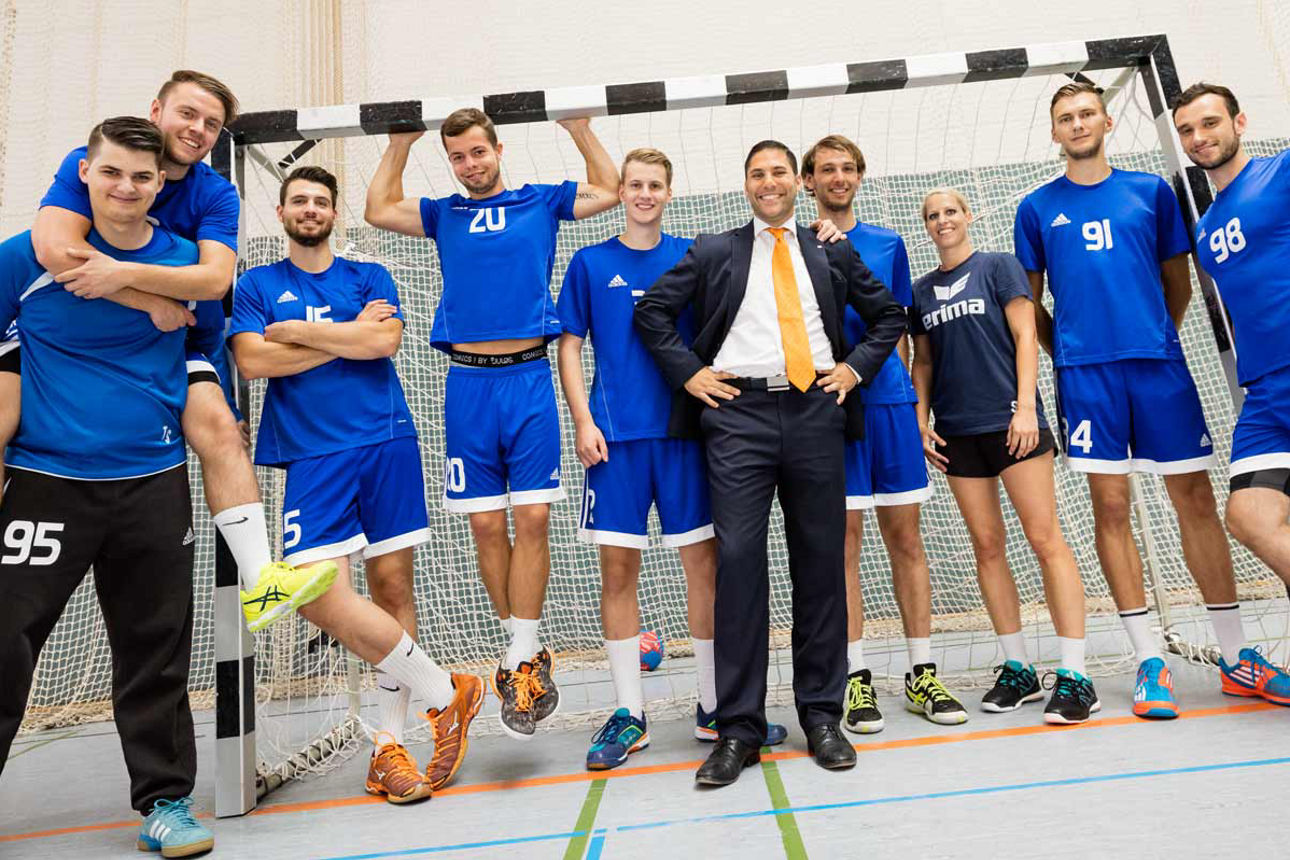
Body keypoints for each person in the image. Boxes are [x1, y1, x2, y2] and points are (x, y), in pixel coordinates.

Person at [2, 70, 328, 627]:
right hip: (87, 339)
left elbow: (213, 283)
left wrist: (132, 283)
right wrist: (146, 300)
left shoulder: (214, 193)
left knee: (223, 430)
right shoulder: (95, 159)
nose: (198, 129)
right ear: (157, 111)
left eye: (212, 124)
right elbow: (57, 249)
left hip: (178, 340)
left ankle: (262, 581)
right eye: (187, 114)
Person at [635, 139, 906, 786]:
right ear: (747, 185)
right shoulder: (714, 249)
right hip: (738, 419)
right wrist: (692, 376)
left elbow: (889, 315)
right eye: (757, 173)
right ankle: (739, 730)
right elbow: (652, 315)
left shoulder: (829, 246)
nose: (768, 182)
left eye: (779, 171)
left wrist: (854, 370)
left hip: (816, 411)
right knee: (737, 566)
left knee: (820, 564)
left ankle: (821, 716)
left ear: (798, 182)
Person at [230, 165, 484, 803]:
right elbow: (253, 359)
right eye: (299, 201)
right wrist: (347, 338)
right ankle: (448, 693)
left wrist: (299, 334)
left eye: (321, 201)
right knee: (318, 596)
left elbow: (385, 344)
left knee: (393, 588)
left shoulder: (368, 275)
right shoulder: (256, 284)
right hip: (312, 455)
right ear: (283, 212)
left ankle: (390, 749)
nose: (310, 209)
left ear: (334, 213)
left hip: (386, 441)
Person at [365, 110, 620, 740]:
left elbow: (610, 189)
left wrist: (579, 128)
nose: (470, 164)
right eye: (458, 157)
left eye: (478, 152)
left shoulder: (542, 202)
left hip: (530, 379)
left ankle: (518, 658)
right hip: (468, 383)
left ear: (497, 149)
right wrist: (400, 144)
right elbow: (376, 208)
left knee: (533, 517)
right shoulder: (441, 214)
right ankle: (525, 654)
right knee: (485, 524)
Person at [0, 117, 214, 858]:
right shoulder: (18, 260)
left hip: (153, 484)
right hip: (43, 486)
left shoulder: (185, 261)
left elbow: (201, 344)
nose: (126, 187)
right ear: (83, 173)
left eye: (142, 177)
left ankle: (167, 804)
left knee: (155, 651)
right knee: (3, 642)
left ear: (162, 186)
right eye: (112, 172)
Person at [1014, 81, 1249, 718]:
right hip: (1087, 378)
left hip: (1158, 368)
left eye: (1087, 112)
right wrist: (1072, 348)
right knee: (1111, 507)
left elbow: (1179, 281)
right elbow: (1028, 305)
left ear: (1107, 121)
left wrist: (1151, 333)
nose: (1078, 123)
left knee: (1195, 497)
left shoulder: (1151, 192)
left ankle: (1236, 655)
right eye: (1066, 117)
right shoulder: (1036, 208)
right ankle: (1149, 660)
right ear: (1055, 132)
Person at [557, 147, 788, 770]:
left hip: (688, 436)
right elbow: (571, 347)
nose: (644, 194)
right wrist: (581, 421)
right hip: (616, 441)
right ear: (623, 191)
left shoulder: (696, 255)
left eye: (655, 185)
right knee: (617, 573)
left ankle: (714, 705)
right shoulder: (589, 262)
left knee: (704, 569)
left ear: (669, 191)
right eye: (634, 184)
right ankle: (629, 714)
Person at [914, 188, 1096, 724]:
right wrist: (919, 423)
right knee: (988, 547)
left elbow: (1023, 336)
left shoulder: (998, 266)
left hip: (1012, 424)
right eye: (932, 216)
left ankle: (1075, 674)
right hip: (957, 432)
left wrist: (1024, 409)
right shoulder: (923, 291)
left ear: (968, 215)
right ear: (925, 226)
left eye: (951, 211)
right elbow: (922, 362)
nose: (943, 220)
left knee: (1045, 539)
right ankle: (1018, 669)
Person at [800, 134, 963, 732]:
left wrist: (911, 410)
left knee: (906, 539)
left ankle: (922, 670)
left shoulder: (886, 244)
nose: (837, 178)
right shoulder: (793, 246)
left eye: (847, 168)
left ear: (859, 177)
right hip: (828, 410)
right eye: (826, 170)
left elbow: (896, 330)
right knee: (842, 546)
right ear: (806, 181)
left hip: (888, 405)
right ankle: (855, 678)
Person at [1174, 82, 1290, 703]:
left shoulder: (1282, 172)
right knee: (1248, 516)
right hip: (1266, 392)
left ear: (1239, 121)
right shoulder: (1209, 224)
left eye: (1210, 123)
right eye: (1188, 130)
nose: (1200, 138)